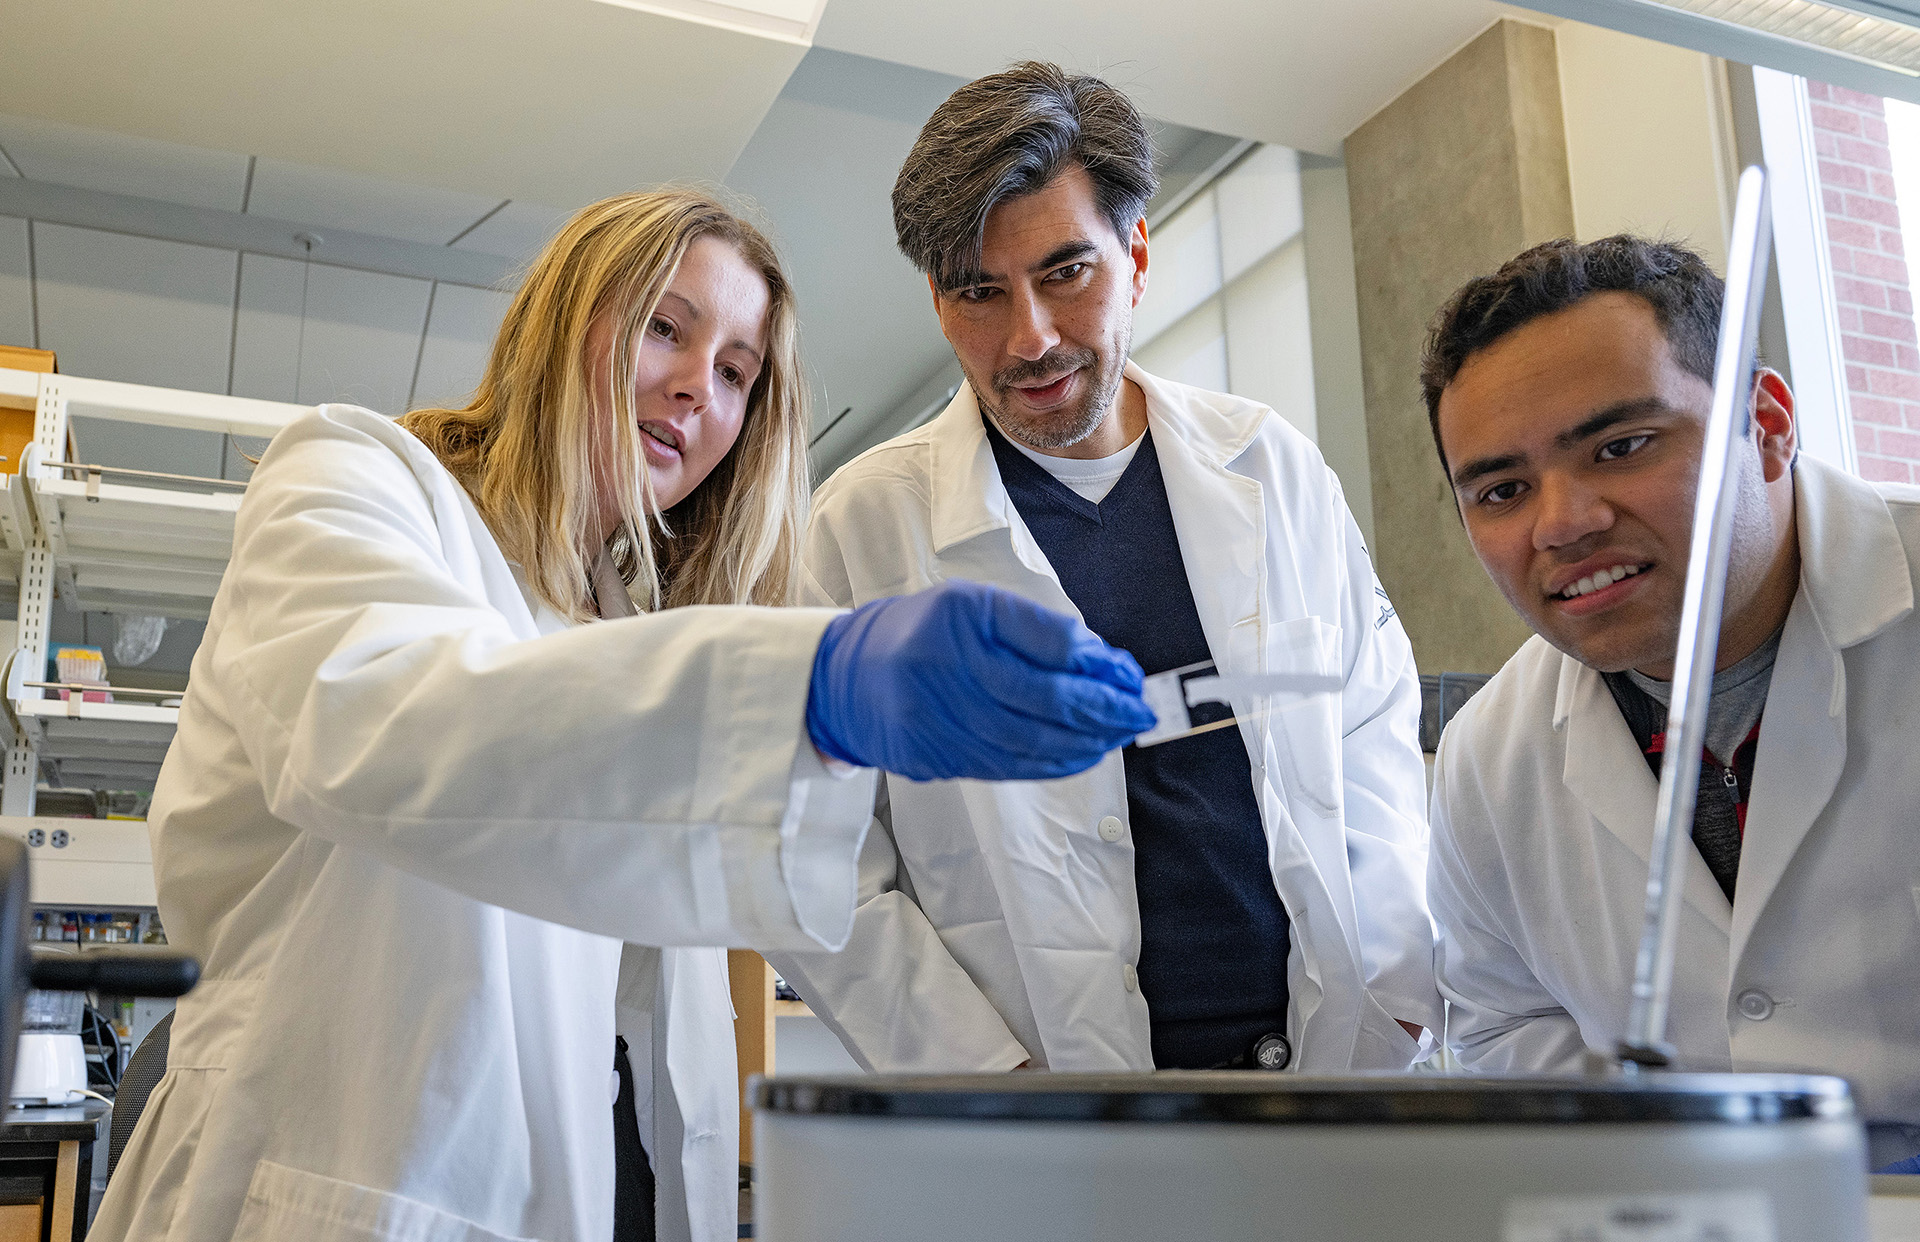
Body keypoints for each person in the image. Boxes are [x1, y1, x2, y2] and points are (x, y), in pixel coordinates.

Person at [90, 189, 1154, 1242]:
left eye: (737, 373)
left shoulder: (630, 624)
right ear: (562, 327)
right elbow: (396, 722)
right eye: (664, 328)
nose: (699, 388)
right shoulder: (353, 480)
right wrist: (807, 689)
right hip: (332, 1181)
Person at [770, 63, 1439, 1076]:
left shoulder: (1272, 467)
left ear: (1133, 255)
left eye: (1065, 273)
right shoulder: (864, 528)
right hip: (1048, 1109)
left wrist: (1394, 995)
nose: (1028, 337)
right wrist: (992, 1081)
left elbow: (1373, 732)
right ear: (938, 303)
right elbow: (817, 864)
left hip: (1322, 1070)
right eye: (979, 294)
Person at [1422, 234, 1920, 1171]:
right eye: (1502, 490)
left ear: (1767, 424)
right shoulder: (1489, 757)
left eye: (1621, 446)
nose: (1562, 522)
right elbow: (1506, 1019)